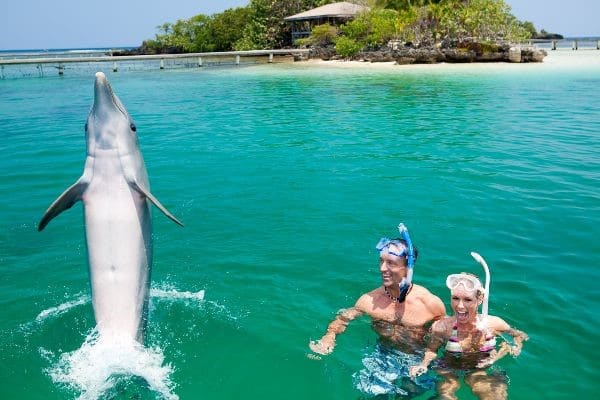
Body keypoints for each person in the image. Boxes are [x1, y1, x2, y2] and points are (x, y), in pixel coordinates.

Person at [309, 223, 446, 396]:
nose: (382, 268)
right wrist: (329, 337)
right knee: (373, 395)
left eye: (390, 263)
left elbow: (444, 332)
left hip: (418, 358)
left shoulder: (430, 304)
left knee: (411, 393)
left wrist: (428, 360)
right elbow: (344, 318)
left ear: (408, 267)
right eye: (381, 261)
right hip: (383, 353)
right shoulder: (369, 300)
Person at [409, 253, 529, 400]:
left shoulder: (494, 323)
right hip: (448, 369)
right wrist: (423, 364)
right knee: (446, 393)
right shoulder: (441, 327)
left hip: (478, 370)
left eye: (467, 299)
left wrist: (516, 346)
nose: (460, 306)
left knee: (494, 397)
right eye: (455, 298)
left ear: (480, 299)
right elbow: (432, 350)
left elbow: (520, 335)